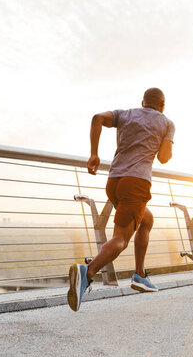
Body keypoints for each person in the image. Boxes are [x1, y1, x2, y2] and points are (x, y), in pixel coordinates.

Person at [67, 87, 175, 312]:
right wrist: (165, 142)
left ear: (143, 102)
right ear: (162, 105)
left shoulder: (126, 114)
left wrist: (94, 153)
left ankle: (140, 274)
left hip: (114, 183)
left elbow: (97, 118)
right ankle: (87, 272)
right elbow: (164, 158)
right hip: (136, 184)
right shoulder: (166, 123)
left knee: (146, 220)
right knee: (121, 239)